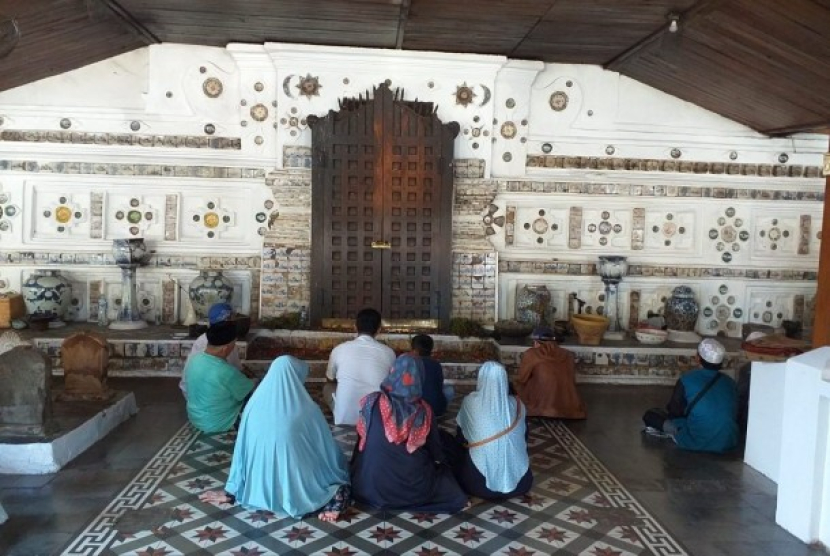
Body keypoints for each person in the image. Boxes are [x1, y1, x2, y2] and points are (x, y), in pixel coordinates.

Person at [199, 356, 351, 521]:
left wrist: (232, 490)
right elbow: (325, 448)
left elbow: (242, 449)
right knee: (335, 471)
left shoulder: (252, 405)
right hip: (298, 483)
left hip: (257, 486)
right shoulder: (307, 409)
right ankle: (330, 500)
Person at [350, 355, 467, 513]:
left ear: (392, 371)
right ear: (419, 377)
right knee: (447, 476)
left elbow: (361, 441)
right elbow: (436, 452)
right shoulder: (424, 410)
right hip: (413, 490)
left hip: (368, 488)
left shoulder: (370, 402)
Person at [448, 361, 533, 500]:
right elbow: (525, 438)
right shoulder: (518, 404)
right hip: (522, 483)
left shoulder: (470, 402)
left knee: (453, 446)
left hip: (477, 485)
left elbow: (461, 437)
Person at [642, 338, 739, 453]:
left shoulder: (687, 379)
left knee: (651, 415)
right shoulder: (730, 382)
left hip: (696, 441)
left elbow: (674, 411)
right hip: (728, 441)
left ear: (698, 358)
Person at [325, 308, 396, 425]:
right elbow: (391, 382)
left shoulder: (339, 349)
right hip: (377, 417)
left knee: (327, 387)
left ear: (355, 327)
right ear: (379, 329)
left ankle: (341, 409)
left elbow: (330, 379)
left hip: (345, 418)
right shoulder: (389, 352)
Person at [184, 321, 254, 434]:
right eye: (234, 344)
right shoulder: (226, 371)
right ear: (225, 349)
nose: (234, 347)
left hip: (196, 418)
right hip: (218, 423)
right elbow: (249, 390)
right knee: (256, 396)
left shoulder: (195, 360)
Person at [514, 326, 586, 419]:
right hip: (569, 405)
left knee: (518, 385)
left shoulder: (532, 354)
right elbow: (571, 379)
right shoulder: (569, 355)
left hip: (541, 406)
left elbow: (521, 379)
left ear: (536, 342)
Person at [179, 302, 243, 399]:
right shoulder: (226, 345)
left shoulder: (202, 343)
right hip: (212, 401)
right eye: (232, 317)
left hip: (193, 400)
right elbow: (237, 374)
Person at [409, 334, 454, 416]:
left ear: (414, 350)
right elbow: (439, 385)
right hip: (436, 409)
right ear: (431, 349)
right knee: (450, 390)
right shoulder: (436, 364)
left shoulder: (408, 364)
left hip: (412, 411)